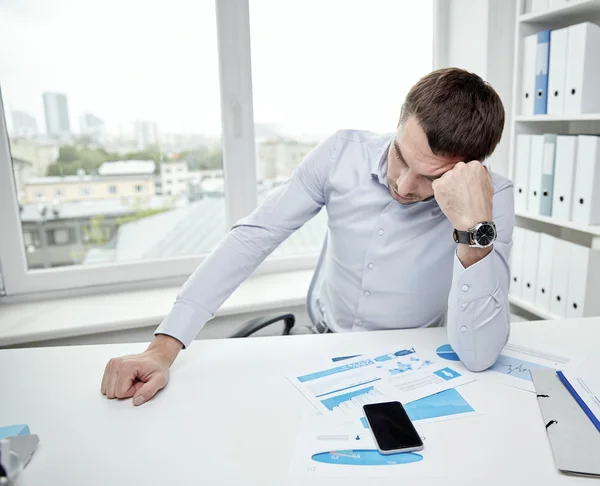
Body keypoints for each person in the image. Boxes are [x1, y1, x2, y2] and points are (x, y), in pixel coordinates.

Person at [101, 67, 514, 406]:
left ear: (469, 169)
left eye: (431, 178)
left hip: (412, 361)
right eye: (400, 157)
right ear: (398, 124)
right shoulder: (340, 154)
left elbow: (479, 354)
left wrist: (473, 228)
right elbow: (253, 238)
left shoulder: (492, 199)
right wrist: (162, 348)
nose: (404, 185)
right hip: (321, 342)